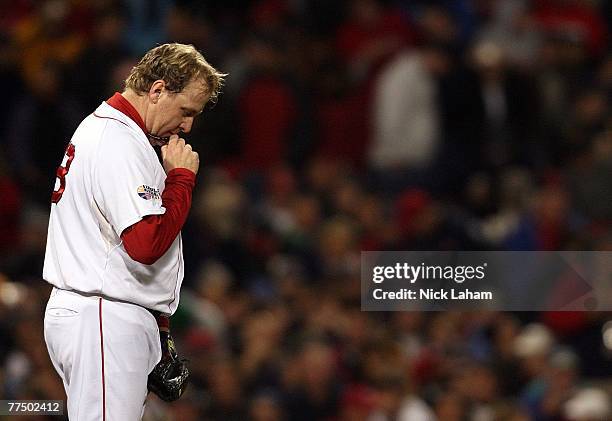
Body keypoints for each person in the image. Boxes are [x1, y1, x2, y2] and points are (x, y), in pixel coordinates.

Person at [42, 43, 225, 420]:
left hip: (100, 313)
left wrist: (157, 323)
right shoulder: (118, 141)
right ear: (157, 90)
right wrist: (181, 180)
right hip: (103, 316)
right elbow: (145, 243)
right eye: (186, 111)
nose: (188, 125)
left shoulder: (115, 132)